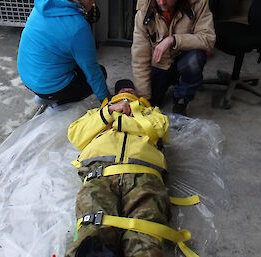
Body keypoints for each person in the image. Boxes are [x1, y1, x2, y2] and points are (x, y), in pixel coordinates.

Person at [65, 79, 174, 257]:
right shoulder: (97, 113)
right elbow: (75, 135)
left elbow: (160, 130)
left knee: (146, 235)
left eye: (131, 90)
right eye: (122, 90)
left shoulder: (151, 113)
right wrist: (108, 112)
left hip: (144, 173)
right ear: (114, 97)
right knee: (93, 233)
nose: (127, 92)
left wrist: (122, 121)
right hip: (99, 173)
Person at [17, 0, 110, 105]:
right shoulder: (78, 27)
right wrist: (107, 101)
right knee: (100, 72)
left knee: (70, 56)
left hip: (27, 76)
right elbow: (93, 72)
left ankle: (44, 95)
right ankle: (57, 102)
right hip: (50, 87)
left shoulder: (44, 4)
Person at [131, 0, 216, 115]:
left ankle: (181, 98)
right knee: (152, 103)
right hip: (161, 63)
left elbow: (208, 39)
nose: (161, 3)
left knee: (194, 61)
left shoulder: (198, 3)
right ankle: (169, 82)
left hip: (185, 58)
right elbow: (139, 58)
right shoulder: (144, 9)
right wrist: (144, 99)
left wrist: (174, 40)